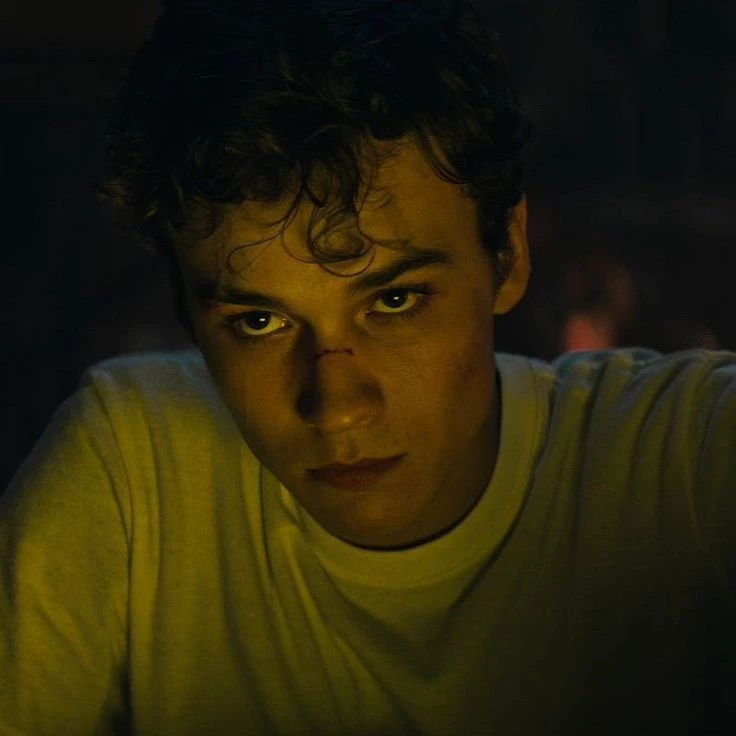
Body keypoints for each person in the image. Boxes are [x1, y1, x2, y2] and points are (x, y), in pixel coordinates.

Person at [1, 0, 735, 733]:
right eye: (259, 322)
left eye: (394, 300)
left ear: (507, 254)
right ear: (190, 316)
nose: (338, 404)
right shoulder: (132, 471)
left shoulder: (681, 462)